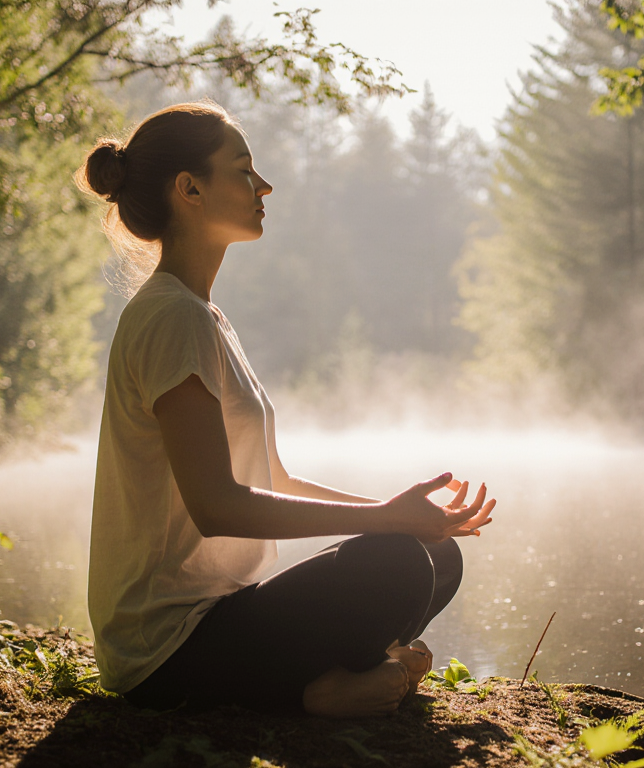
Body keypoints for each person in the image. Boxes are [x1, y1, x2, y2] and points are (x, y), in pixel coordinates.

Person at [76, 101, 494, 718]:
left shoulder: (204, 316)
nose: (263, 185)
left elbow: (272, 480)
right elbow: (218, 506)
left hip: (223, 618)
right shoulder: (173, 318)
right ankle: (316, 691)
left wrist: (405, 514)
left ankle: (337, 675)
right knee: (399, 561)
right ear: (189, 189)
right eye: (243, 170)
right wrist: (384, 521)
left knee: (433, 552)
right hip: (167, 653)